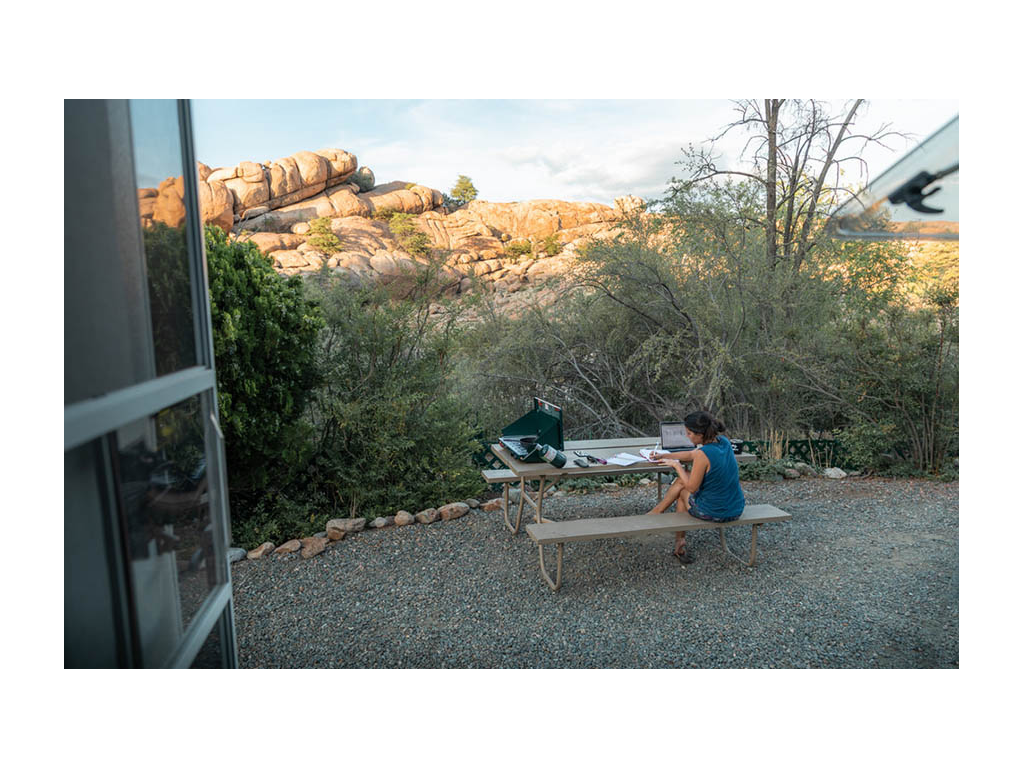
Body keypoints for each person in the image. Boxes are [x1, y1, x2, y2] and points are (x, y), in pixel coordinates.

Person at [646, 411, 745, 563]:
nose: (688, 436)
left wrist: (676, 466)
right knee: (682, 482)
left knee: (682, 493)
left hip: (715, 512)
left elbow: (692, 488)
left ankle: (678, 540)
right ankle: (658, 513)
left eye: (690, 433)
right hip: (736, 509)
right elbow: (691, 454)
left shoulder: (703, 454)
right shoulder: (723, 442)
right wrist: (663, 456)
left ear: (700, 434)